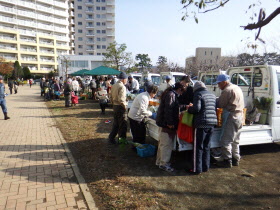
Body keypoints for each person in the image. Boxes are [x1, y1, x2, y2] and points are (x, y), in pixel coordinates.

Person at [187, 81, 217, 175]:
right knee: (207, 146)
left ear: (195, 89)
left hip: (201, 124)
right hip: (212, 123)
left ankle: (196, 169)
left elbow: (197, 109)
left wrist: (189, 108)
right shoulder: (212, 95)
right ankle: (205, 167)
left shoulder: (198, 94)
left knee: (198, 147)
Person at [215, 74, 245, 168]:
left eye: (219, 83)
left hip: (231, 116)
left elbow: (221, 103)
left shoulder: (227, 90)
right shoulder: (237, 88)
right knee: (236, 140)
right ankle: (236, 159)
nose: (218, 86)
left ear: (224, 82)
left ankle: (227, 160)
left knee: (226, 140)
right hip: (240, 116)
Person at [155, 82, 185, 172]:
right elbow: (169, 109)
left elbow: (172, 107)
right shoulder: (172, 95)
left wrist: (185, 106)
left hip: (163, 123)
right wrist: (170, 123)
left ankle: (160, 162)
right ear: (179, 89)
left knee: (162, 144)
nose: (182, 94)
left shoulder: (169, 93)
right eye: (182, 92)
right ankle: (164, 164)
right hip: (166, 124)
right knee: (166, 145)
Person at [108, 72, 128, 144]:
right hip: (120, 107)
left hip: (115, 106)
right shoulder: (122, 86)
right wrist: (125, 107)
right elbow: (121, 100)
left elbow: (110, 96)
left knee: (116, 124)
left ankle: (111, 137)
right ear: (123, 79)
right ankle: (122, 141)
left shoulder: (114, 85)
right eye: (126, 79)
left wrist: (113, 104)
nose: (126, 80)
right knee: (123, 125)